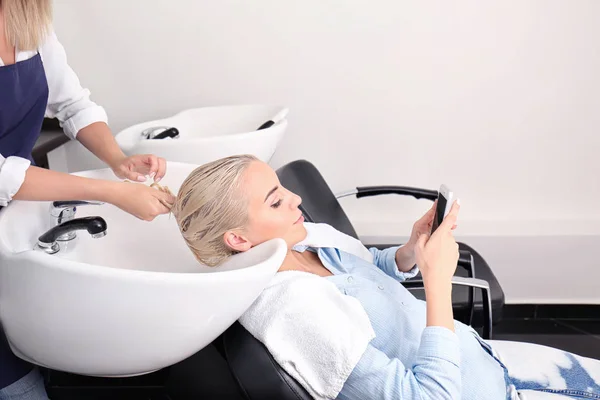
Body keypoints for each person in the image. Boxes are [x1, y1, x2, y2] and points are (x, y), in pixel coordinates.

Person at [172, 154, 600, 400]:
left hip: (490, 363)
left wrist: (410, 251)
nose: (296, 198)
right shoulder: (296, 313)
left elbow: (368, 269)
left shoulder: (302, 238)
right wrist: (437, 283)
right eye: (275, 201)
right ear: (238, 238)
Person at [0, 1, 175, 398]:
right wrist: (110, 193)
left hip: (16, 207)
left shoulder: (28, 23)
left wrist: (119, 161)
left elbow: (73, 104)